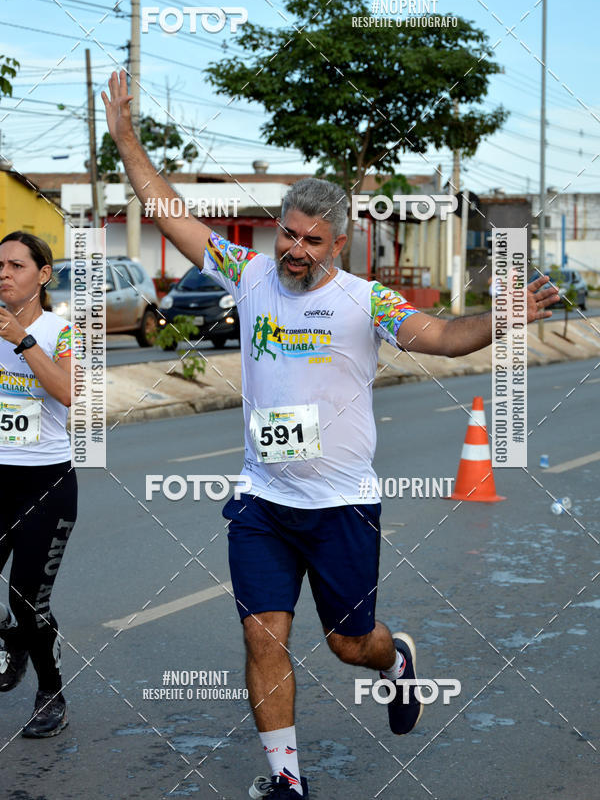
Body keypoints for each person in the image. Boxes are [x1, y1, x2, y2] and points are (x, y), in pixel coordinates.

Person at [102, 70, 560, 798]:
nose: (297, 249)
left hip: (341, 503)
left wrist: (498, 322)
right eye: (288, 233)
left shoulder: (364, 299)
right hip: (262, 500)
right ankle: (287, 780)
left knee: (350, 643)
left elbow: (439, 335)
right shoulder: (244, 272)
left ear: (337, 244)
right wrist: (126, 136)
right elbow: (168, 212)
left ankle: (395, 659)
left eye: (313, 241)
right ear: (275, 227)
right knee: (262, 637)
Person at [0, 231, 77, 738]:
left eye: (15, 265)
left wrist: (22, 341)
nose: (3, 274)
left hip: (45, 483)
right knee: (15, 614)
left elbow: (71, 393)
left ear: (43, 275)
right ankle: (13, 637)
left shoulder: (63, 330)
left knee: (27, 600)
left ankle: (51, 690)